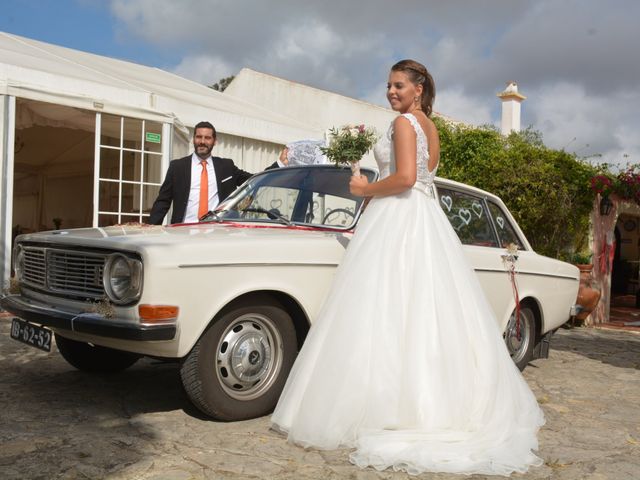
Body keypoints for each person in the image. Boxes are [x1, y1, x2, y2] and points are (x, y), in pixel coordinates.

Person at [270, 59, 544, 476]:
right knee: (422, 309)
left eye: (399, 85)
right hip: (425, 219)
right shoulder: (430, 129)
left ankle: (381, 405)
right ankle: (431, 402)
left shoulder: (402, 125)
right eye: (388, 86)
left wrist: (364, 188)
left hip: (397, 216)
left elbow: (403, 178)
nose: (391, 92)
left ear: (419, 89)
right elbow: (423, 177)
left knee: (382, 306)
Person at [148, 121, 284, 225]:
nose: (202, 141)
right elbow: (163, 201)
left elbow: (253, 180)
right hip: (184, 230)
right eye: (199, 137)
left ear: (214, 141)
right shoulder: (177, 167)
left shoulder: (226, 166)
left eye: (207, 138)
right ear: (193, 139)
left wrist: (278, 165)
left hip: (218, 231)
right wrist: (151, 228)